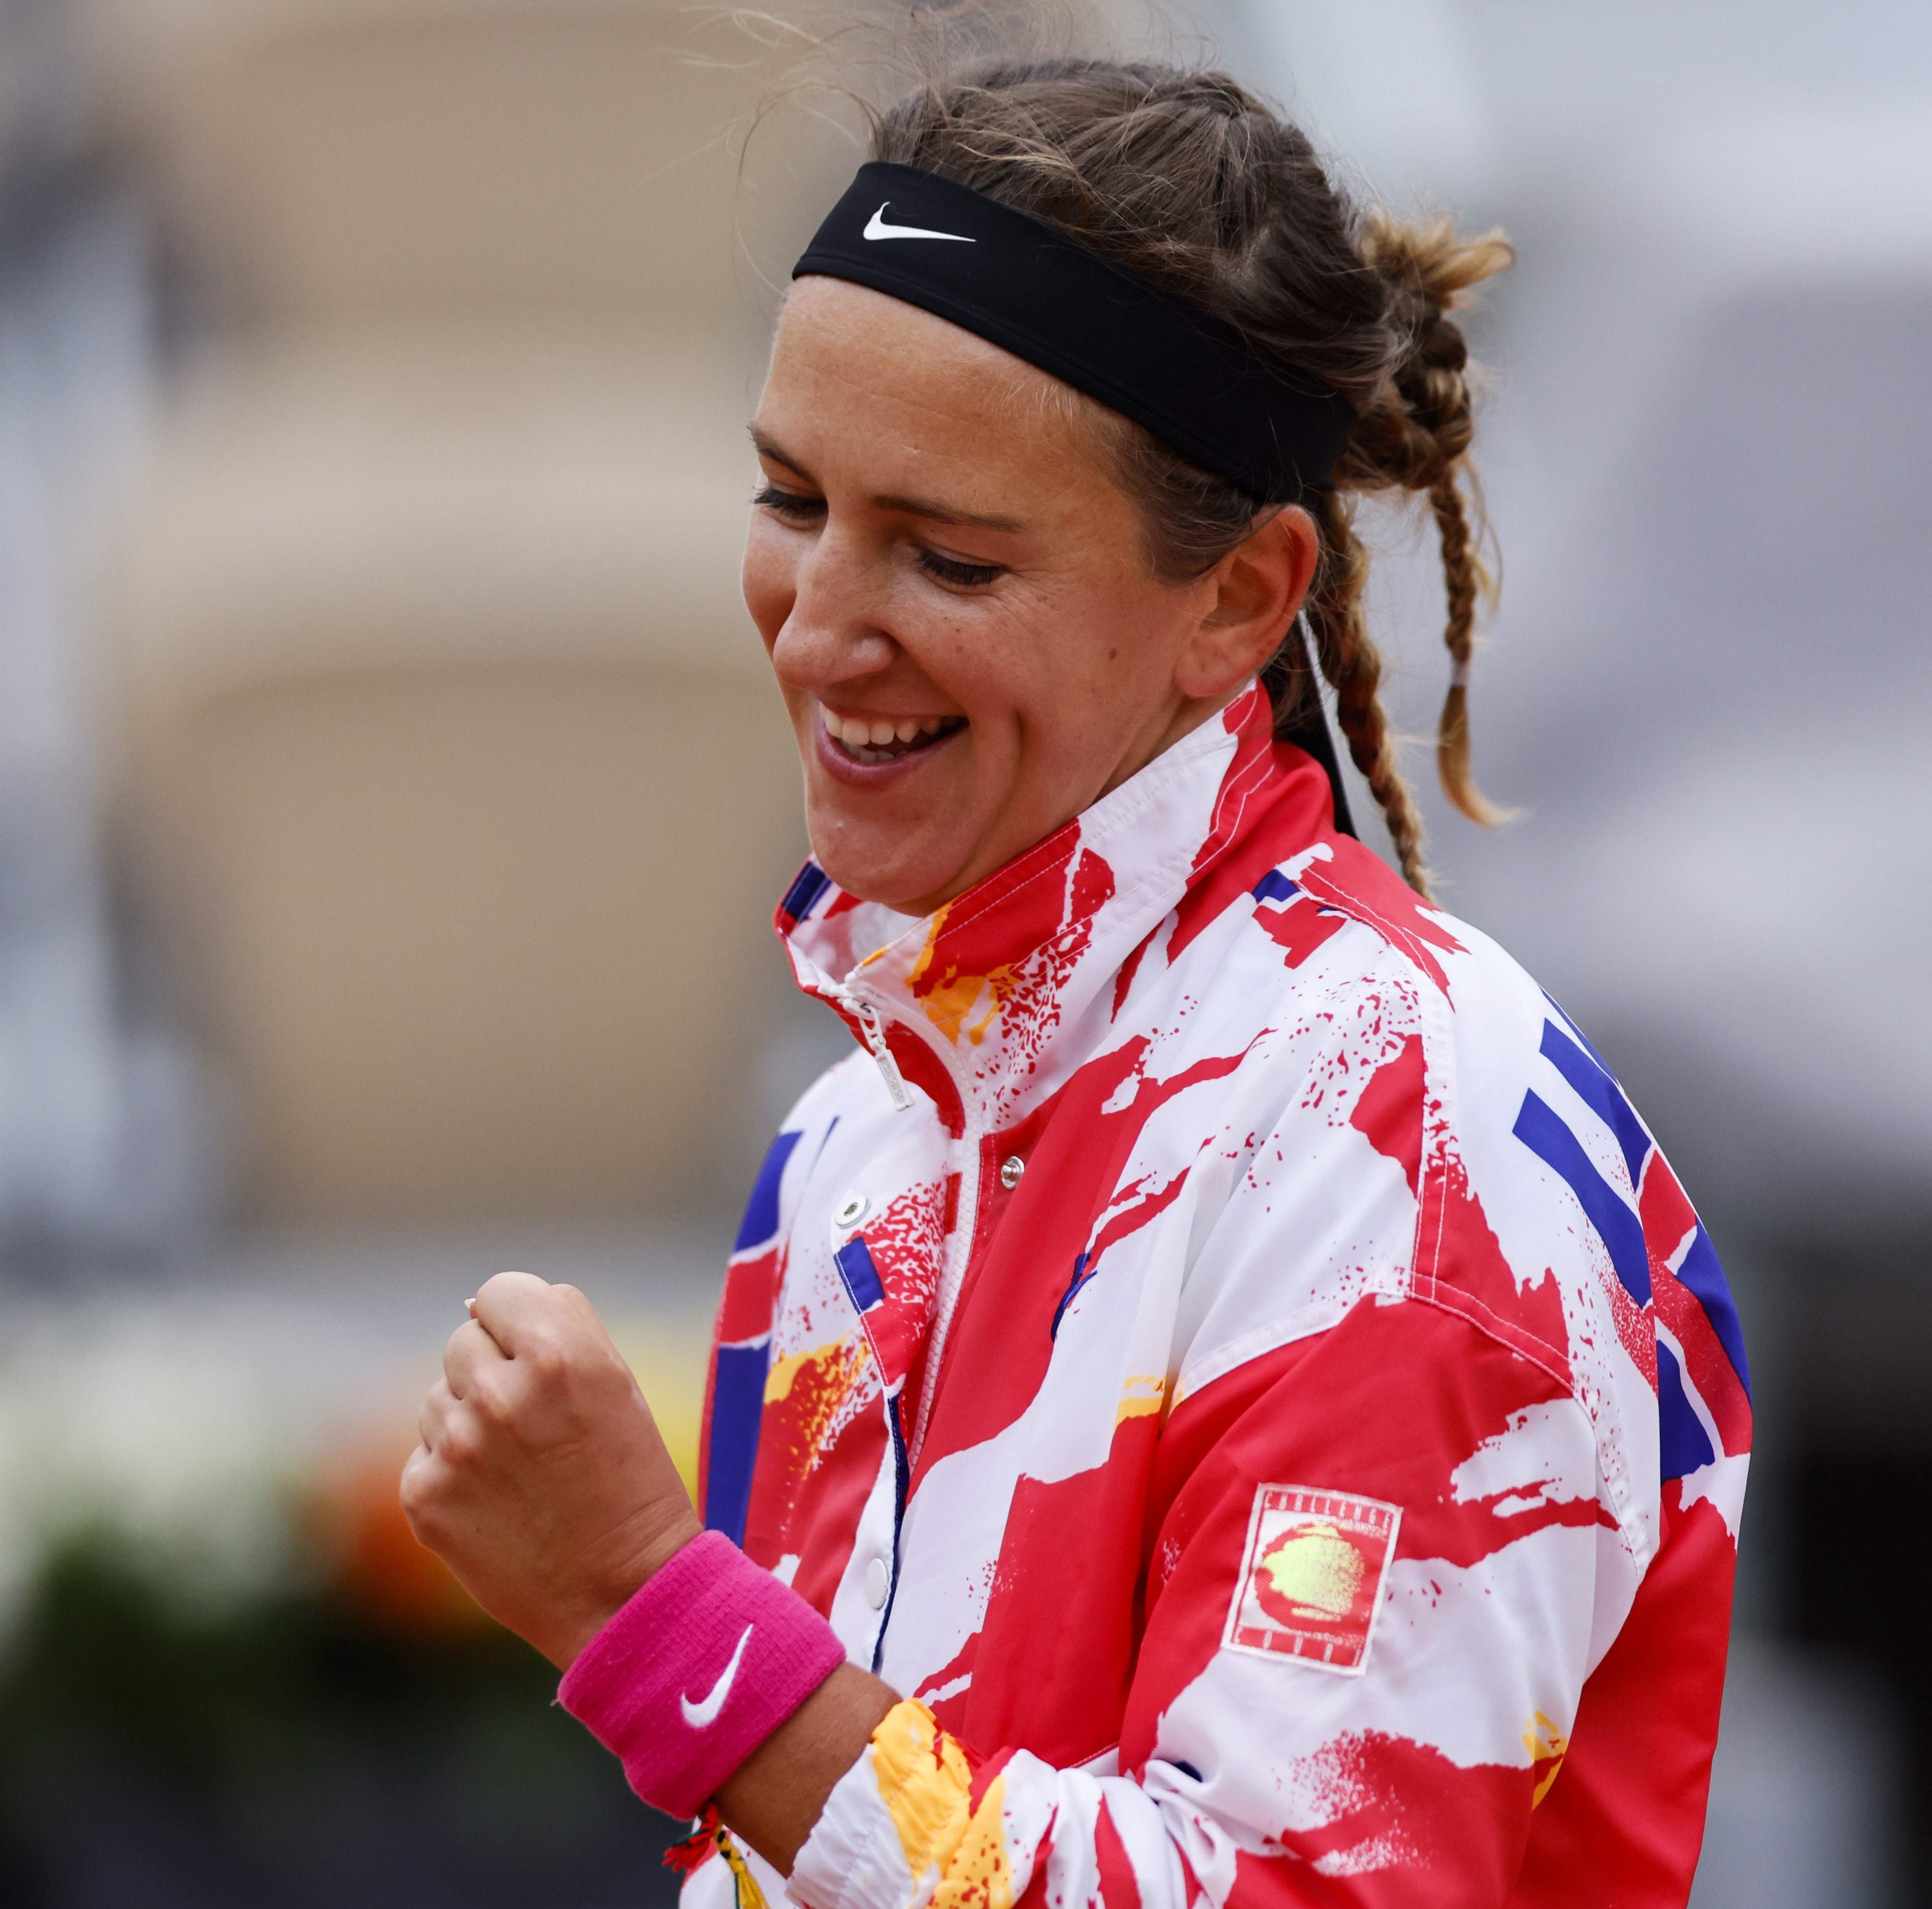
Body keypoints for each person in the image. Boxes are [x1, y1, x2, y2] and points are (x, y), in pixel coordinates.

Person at [399, 57, 1752, 1909]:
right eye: (791, 499)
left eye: (946, 553)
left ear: (1239, 600)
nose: (815, 623)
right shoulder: (853, 1143)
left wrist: (652, 1614)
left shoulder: (1408, 1150)